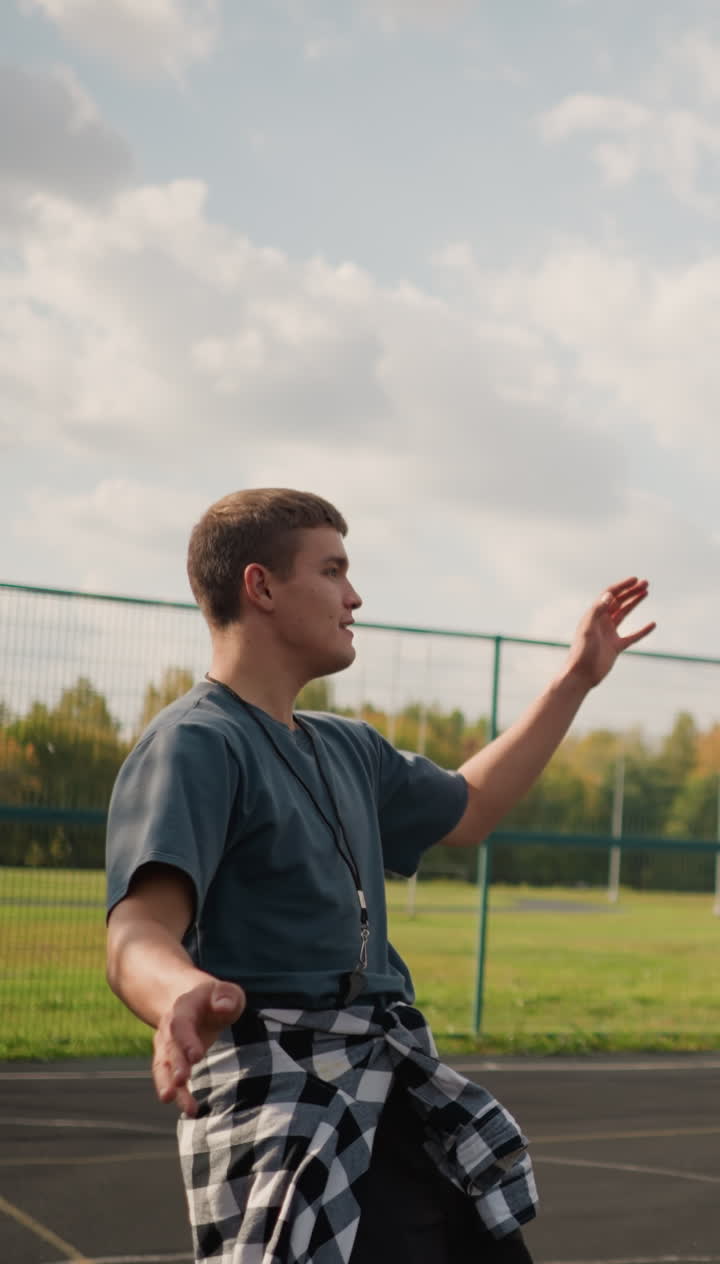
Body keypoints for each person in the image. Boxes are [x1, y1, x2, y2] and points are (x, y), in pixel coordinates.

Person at [105, 488, 655, 1264]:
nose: (354, 596)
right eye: (332, 571)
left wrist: (578, 678)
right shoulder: (197, 743)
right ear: (260, 587)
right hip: (290, 1111)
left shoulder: (347, 748)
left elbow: (470, 809)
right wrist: (177, 993)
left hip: (385, 1090)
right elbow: (139, 928)